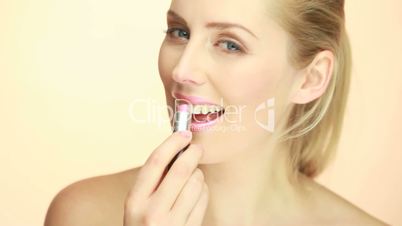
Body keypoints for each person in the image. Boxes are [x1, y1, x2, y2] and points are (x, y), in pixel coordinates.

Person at [45, 0, 389, 225]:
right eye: (179, 32)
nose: (182, 70)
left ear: (311, 78)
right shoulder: (83, 213)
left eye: (230, 44)